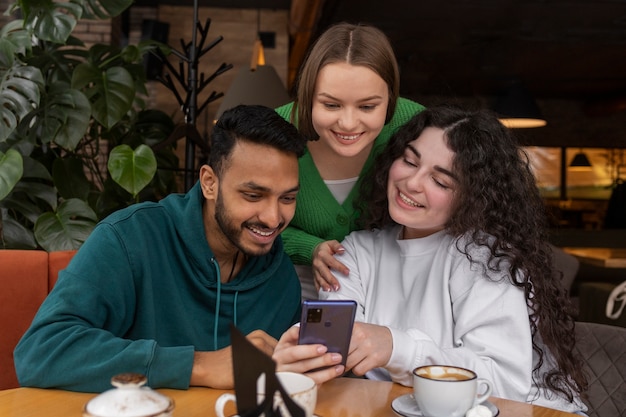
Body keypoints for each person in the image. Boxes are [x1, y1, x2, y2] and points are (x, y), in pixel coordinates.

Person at [13, 105, 343, 393]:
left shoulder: (279, 274)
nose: (273, 218)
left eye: (287, 198)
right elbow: (40, 352)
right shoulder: (130, 239)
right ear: (209, 182)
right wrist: (198, 365)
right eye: (253, 196)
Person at [315, 105, 588, 413]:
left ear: (471, 198)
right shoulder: (354, 252)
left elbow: (503, 383)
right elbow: (333, 346)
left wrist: (396, 347)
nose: (412, 183)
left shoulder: (486, 259)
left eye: (441, 181)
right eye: (409, 161)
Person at [275, 22, 425, 299]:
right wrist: (310, 248)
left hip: (396, 293)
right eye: (331, 105)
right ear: (308, 96)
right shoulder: (273, 131)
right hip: (291, 290)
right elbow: (240, 217)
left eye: (368, 106)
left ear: (391, 99)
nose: (348, 123)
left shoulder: (416, 127)